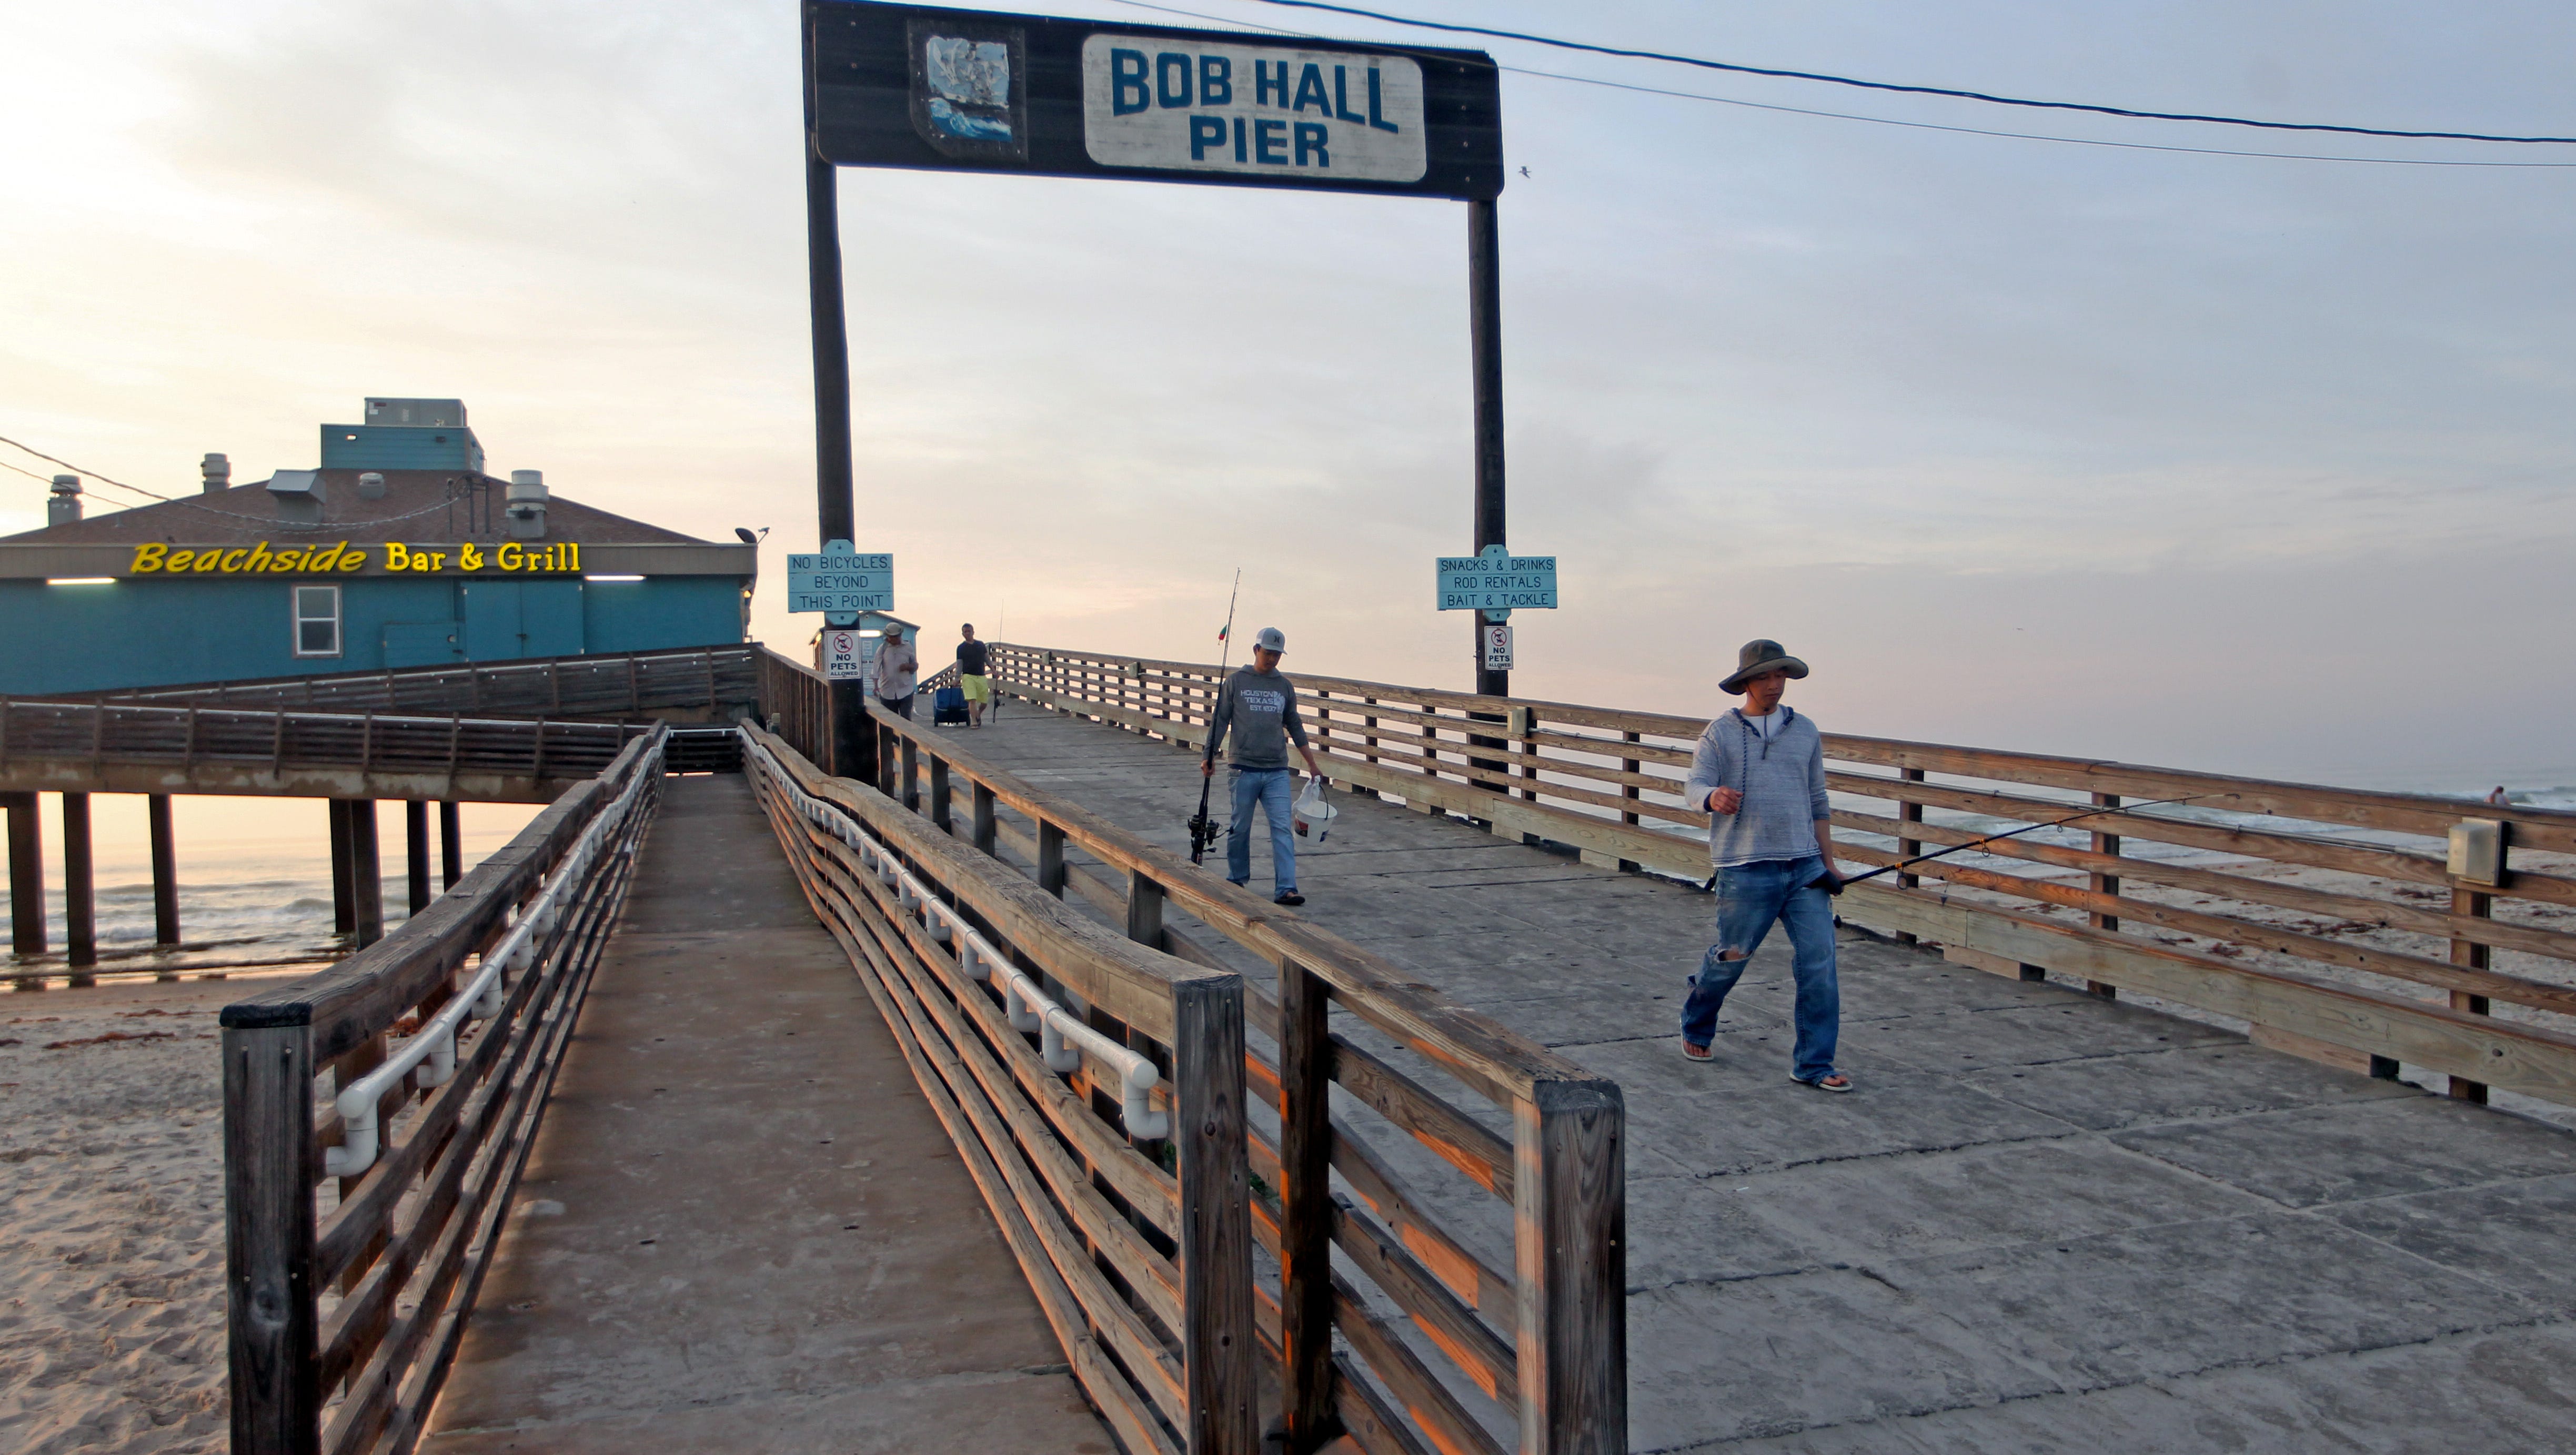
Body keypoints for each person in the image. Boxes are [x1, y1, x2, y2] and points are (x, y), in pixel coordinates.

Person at [1676, 639, 1850, 1092]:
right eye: (1765, 677)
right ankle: (1697, 1020)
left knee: (1819, 963)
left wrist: (1830, 864)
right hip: (1745, 866)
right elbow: (1694, 784)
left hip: (1805, 868)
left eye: (1781, 676)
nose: (1774, 685)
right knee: (1733, 958)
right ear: (1745, 683)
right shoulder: (1720, 733)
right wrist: (1712, 797)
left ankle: (1814, 1064)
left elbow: (1818, 800)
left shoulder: (1806, 730)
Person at [1201, 626, 1326, 906]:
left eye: (1277, 655)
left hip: (1277, 770)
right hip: (1242, 767)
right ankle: (1237, 879)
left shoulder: (1284, 686)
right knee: (1240, 827)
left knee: (1282, 827)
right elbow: (1220, 720)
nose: (1272, 659)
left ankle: (1286, 888)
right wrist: (1209, 754)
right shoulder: (1236, 682)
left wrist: (1312, 764)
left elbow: (1294, 724)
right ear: (1256, 650)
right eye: (1268, 653)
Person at [873, 624, 918, 719]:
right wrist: (876, 686)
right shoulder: (883, 648)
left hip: (906, 689)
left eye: (896, 636)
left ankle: (906, 735)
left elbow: (915, 666)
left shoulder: (908, 647)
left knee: (906, 719)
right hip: (887, 692)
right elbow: (876, 667)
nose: (894, 639)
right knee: (890, 721)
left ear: (900, 635)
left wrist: (908, 667)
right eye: (891, 637)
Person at [957, 623, 992, 728]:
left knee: (984, 702)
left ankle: (978, 714)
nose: (967, 633)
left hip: (981, 675)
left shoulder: (981, 645)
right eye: (965, 632)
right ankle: (974, 721)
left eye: (969, 631)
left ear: (973, 632)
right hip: (968, 676)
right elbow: (959, 664)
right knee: (972, 700)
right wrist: (957, 678)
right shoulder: (961, 648)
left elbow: (987, 659)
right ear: (963, 634)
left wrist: (993, 670)